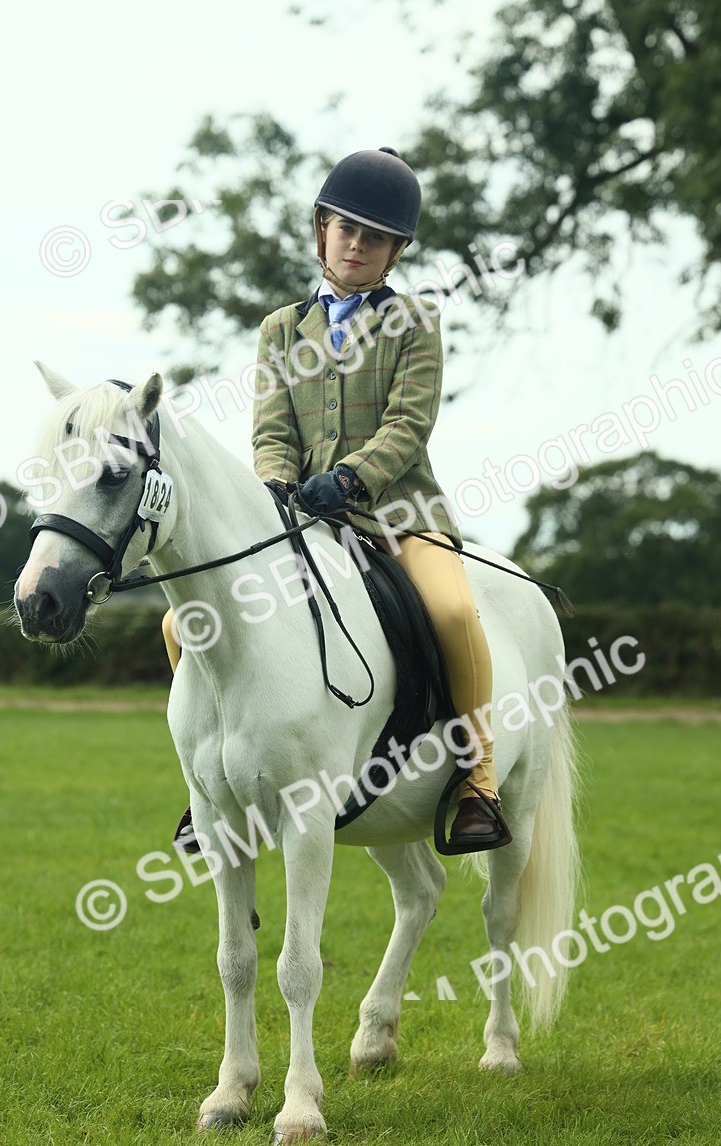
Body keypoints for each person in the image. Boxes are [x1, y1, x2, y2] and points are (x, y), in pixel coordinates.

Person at [165, 146, 510, 854]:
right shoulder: (281, 330)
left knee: (450, 609)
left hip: (399, 515)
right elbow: (271, 431)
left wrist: (351, 477)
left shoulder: (415, 323)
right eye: (346, 228)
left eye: (374, 237)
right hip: (301, 522)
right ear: (322, 229)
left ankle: (478, 775)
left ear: (395, 253)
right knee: (181, 626)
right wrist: (276, 488)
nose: (356, 244)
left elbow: (408, 426)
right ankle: (208, 786)